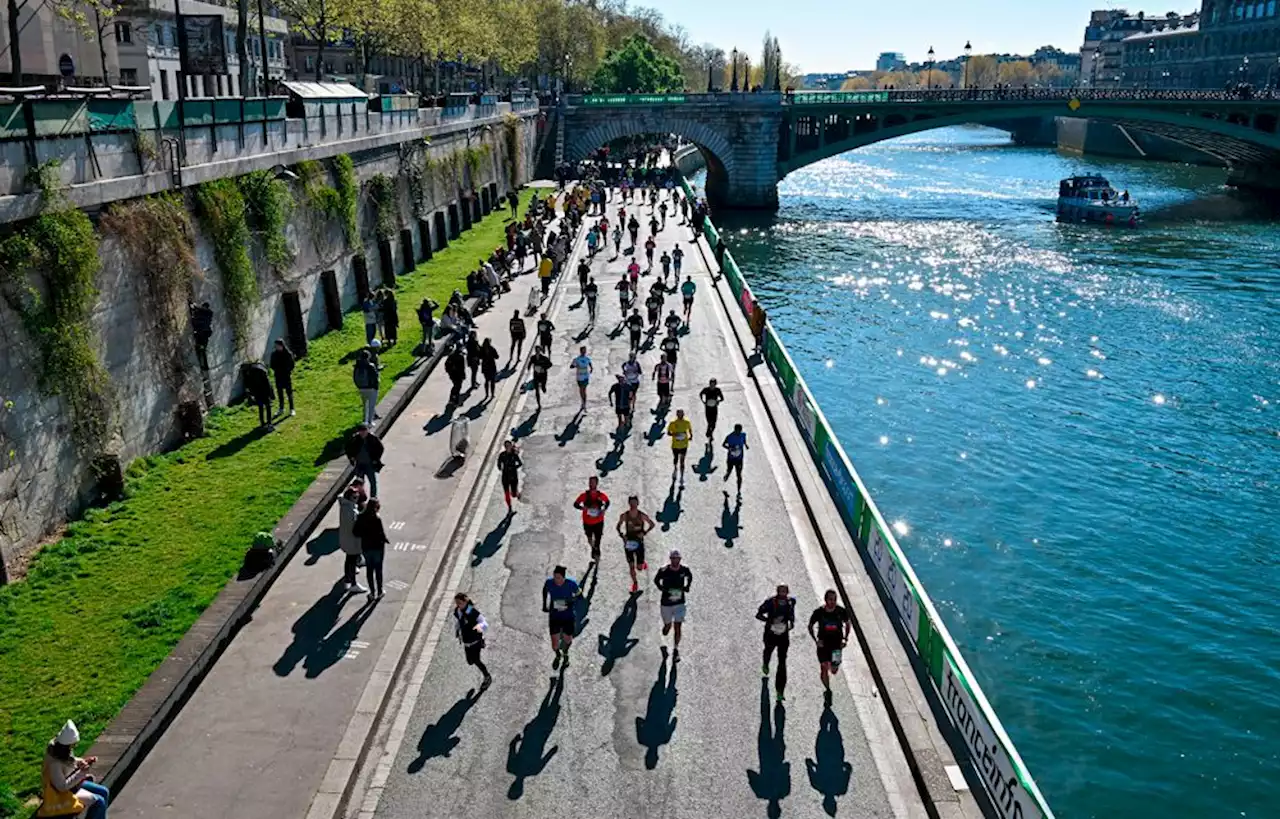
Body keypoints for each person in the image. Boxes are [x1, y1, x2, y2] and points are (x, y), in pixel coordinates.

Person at [37, 720, 110, 819]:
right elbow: (62, 787)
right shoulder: (54, 764)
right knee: (98, 801)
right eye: (73, 745)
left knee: (104, 791)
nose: (74, 747)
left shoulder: (59, 748)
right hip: (63, 793)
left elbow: (69, 761)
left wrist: (81, 761)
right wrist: (81, 773)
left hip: (72, 785)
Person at [808, 589, 852, 698]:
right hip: (823, 646)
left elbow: (848, 624)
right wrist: (816, 640)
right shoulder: (818, 612)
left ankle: (832, 666)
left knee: (834, 670)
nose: (832, 602)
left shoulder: (841, 611)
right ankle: (828, 690)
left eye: (834, 600)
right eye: (830, 599)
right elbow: (810, 626)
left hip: (837, 646)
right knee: (823, 668)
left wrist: (845, 639)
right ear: (825, 600)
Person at [757, 585, 796, 702]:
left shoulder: (791, 602)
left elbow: (791, 614)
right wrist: (770, 622)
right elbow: (759, 614)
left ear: (788, 592)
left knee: (782, 662)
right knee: (768, 652)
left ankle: (780, 691)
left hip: (783, 637)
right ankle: (765, 663)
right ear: (777, 591)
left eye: (785, 591)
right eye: (781, 591)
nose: (783, 593)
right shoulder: (770, 602)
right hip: (770, 635)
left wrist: (791, 622)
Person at [654, 550, 692, 660]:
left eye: (677, 558)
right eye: (673, 558)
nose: (675, 560)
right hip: (666, 603)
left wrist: (687, 586)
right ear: (670, 559)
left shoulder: (684, 570)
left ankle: (676, 650)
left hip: (679, 602)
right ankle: (666, 626)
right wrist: (661, 588)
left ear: (680, 559)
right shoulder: (664, 571)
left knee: (678, 627)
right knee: (668, 626)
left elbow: (690, 576)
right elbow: (656, 580)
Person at [542, 565, 581, 670]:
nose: (556, 580)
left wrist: (568, 602)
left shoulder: (571, 584)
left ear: (564, 577)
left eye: (558, 578)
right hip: (554, 616)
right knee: (554, 645)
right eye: (554, 577)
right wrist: (544, 604)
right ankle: (558, 654)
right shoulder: (549, 582)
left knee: (567, 639)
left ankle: (566, 653)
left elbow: (579, 595)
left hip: (568, 616)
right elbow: (545, 590)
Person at [616, 495, 655, 593]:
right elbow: (618, 526)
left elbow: (652, 524)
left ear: (638, 503)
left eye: (635, 503)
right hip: (629, 543)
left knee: (639, 568)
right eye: (631, 503)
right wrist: (622, 535)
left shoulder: (642, 515)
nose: (633, 505)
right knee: (631, 565)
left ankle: (642, 564)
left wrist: (644, 533)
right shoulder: (624, 515)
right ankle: (635, 583)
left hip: (639, 542)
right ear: (629, 503)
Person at [453, 593, 492, 690]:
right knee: (470, 661)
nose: (458, 605)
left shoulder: (471, 611)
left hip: (475, 641)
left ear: (465, 602)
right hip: (467, 642)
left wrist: (480, 627)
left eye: (460, 603)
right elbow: (459, 620)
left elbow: (484, 623)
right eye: (457, 603)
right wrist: (457, 629)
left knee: (476, 660)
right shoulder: (458, 611)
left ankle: (487, 676)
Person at [352, 497, 388, 599]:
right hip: (377, 547)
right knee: (378, 569)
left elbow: (355, 532)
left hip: (366, 547)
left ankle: (372, 592)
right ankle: (380, 590)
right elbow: (381, 534)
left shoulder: (361, 517)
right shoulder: (376, 518)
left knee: (369, 569)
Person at [338, 483, 367, 593]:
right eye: (354, 497)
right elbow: (355, 528)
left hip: (346, 538)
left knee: (349, 560)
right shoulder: (351, 511)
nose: (357, 499)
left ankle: (347, 582)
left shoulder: (345, 506)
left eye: (357, 497)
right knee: (352, 560)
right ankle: (353, 584)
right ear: (349, 497)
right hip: (352, 540)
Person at [573, 476, 610, 562]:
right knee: (589, 538)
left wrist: (604, 509)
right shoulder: (584, 495)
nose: (591, 484)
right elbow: (575, 504)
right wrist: (582, 508)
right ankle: (593, 548)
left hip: (599, 521)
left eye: (593, 482)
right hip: (587, 521)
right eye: (590, 482)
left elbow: (607, 502)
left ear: (597, 484)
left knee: (598, 539)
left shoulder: (600, 495)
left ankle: (597, 551)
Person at [345, 422, 384, 498]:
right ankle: (361, 497)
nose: (363, 433)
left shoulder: (373, 438)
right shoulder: (355, 439)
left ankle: (373, 497)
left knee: (372, 482)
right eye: (361, 431)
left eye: (364, 431)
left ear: (367, 430)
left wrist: (376, 458)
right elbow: (348, 448)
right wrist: (351, 457)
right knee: (359, 483)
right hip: (359, 464)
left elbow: (380, 448)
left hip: (370, 464)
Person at [269, 339, 296, 418]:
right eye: (276, 346)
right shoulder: (274, 354)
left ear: (282, 345)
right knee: (280, 393)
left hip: (286, 376)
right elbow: (272, 365)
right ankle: (281, 408)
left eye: (278, 345)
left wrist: (287, 370)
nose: (276, 347)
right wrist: (277, 370)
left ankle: (292, 409)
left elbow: (292, 364)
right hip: (278, 376)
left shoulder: (288, 354)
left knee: (289, 393)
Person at [666, 408, 693, 486]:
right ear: (677, 415)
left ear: (683, 414)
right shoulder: (673, 423)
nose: (680, 415)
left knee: (682, 460)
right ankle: (675, 468)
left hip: (684, 444)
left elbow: (690, 429)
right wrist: (675, 435)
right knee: (675, 459)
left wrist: (691, 436)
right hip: (675, 445)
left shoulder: (687, 422)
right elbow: (668, 432)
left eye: (681, 414)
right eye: (679, 414)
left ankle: (681, 477)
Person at [244, 360, 274, 430]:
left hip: (257, 393)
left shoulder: (248, 373)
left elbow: (248, 386)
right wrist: (270, 394)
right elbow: (267, 383)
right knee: (268, 407)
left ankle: (262, 424)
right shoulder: (261, 371)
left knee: (261, 408)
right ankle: (269, 423)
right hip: (264, 392)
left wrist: (252, 394)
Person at [353, 350, 379, 426]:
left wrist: (358, 386)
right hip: (371, 388)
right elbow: (375, 377)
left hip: (361, 388)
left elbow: (354, 377)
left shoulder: (357, 366)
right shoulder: (370, 366)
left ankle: (365, 420)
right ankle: (370, 422)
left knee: (365, 405)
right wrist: (376, 387)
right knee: (371, 405)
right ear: (368, 357)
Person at [723, 423, 749, 494]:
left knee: (739, 475)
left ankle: (739, 491)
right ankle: (727, 473)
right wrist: (730, 448)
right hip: (731, 458)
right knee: (730, 469)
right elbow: (723, 444)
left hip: (739, 459)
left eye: (740, 431)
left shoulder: (743, 435)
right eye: (737, 431)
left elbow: (744, 440)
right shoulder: (729, 437)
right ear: (734, 430)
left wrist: (746, 445)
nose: (739, 432)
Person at [497, 440, 522, 510]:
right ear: (505, 447)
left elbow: (520, 463)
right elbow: (498, 464)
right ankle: (509, 507)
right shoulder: (502, 455)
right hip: (505, 477)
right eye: (506, 446)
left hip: (513, 477)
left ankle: (516, 493)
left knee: (513, 495)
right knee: (506, 493)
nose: (508, 447)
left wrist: (514, 468)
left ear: (511, 446)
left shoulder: (514, 455)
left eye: (509, 446)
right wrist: (501, 468)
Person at [190, 301, 214, 372]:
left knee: (202, 349)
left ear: (205, 306)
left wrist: (194, 305)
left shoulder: (209, 312)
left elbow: (200, 309)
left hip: (204, 333)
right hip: (201, 334)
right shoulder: (202, 313)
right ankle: (204, 366)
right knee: (201, 349)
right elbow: (195, 315)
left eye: (203, 306)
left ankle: (205, 366)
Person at [527, 345, 552, 410]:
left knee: (543, 386)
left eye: (538, 350)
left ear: (540, 351)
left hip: (543, 375)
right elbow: (530, 363)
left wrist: (544, 368)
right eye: (536, 350)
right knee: (537, 391)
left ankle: (543, 386)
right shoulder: (533, 357)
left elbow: (550, 364)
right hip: (536, 375)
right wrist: (529, 368)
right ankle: (539, 404)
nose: (537, 352)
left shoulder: (544, 358)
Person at [571, 345, 592, 410]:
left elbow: (590, 364)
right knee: (581, 390)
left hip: (585, 377)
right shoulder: (577, 359)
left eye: (585, 351)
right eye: (583, 351)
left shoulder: (587, 359)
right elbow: (571, 366)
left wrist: (591, 369)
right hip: (579, 377)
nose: (584, 352)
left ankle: (584, 403)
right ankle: (582, 401)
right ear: (580, 351)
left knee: (584, 390)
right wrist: (575, 365)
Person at [480, 337, 500, 401]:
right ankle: (492, 394)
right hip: (491, 366)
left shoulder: (482, 349)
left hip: (485, 367)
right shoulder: (492, 348)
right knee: (492, 381)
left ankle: (486, 394)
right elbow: (497, 357)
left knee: (486, 380)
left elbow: (480, 356)